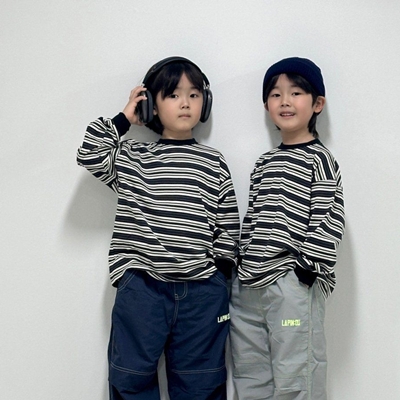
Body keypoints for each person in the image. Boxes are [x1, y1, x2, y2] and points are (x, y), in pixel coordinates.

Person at [77, 56, 240, 400]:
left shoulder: (213, 161)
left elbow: (227, 221)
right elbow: (90, 153)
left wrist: (220, 274)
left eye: (194, 95)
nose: (185, 103)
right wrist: (125, 117)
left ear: (206, 102)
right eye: (173, 95)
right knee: (131, 380)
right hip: (143, 289)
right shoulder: (134, 157)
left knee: (202, 384)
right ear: (152, 105)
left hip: (202, 292)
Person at [229, 57, 345, 400]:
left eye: (296, 93)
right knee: (251, 372)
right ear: (267, 105)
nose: (285, 101)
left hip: (292, 285)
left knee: (296, 372)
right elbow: (252, 218)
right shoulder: (264, 162)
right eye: (276, 94)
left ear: (317, 104)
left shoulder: (320, 160)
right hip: (249, 285)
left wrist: (306, 269)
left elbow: (329, 216)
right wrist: (240, 263)